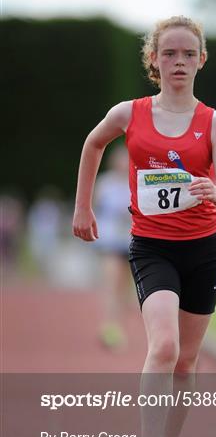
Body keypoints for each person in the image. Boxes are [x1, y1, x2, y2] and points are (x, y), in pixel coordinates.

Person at [73, 16, 216, 437]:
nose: (179, 62)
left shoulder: (215, 124)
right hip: (152, 248)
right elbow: (92, 143)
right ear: (153, 60)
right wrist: (83, 206)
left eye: (189, 54)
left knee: (186, 362)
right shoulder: (130, 113)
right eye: (169, 53)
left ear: (202, 60)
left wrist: (215, 191)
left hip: (203, 251)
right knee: (163, 347)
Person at [93, 144, 132, 348]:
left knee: (124, 288)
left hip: (130, 241)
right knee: (111, 283)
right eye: (120, 159)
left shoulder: (135, 183)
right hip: (109, 242)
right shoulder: (104, 183)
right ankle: (108, 325)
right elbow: (95, 208)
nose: (123, 164)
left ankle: (118, 327)